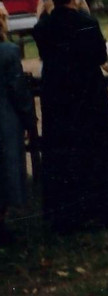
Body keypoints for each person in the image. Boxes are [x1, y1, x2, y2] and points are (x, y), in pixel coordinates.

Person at [32, 0, 108, 234]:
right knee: (96, 147)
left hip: (58, 95)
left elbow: (43, 46)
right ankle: (105, 207)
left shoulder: (43, 27)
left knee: (63, 150)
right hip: (87, 93)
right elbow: (100, 55)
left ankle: (67, 212)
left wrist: (43, 14)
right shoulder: (86, 23)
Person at [1, 27, 36, 246]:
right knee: (5, 170)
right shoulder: (9, 52)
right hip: (4, 120)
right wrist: (28, 119)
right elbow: (18, 89)